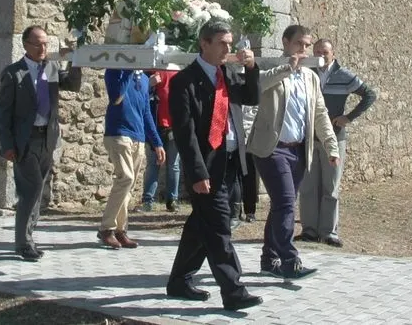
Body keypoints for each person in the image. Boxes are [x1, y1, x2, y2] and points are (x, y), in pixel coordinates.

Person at [165, 21, 263, 311]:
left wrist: (252, 68)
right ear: (204, 44)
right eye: (222, 43)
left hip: (231, 163)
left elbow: (251, 97)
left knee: (201, 225)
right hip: (206, 168)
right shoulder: (184, 81)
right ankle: (234, 291)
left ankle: (179, 281)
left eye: (230, 43)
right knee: (220, 228)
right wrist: (196, 173)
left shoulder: (229, 73)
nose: (228, 49)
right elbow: (185, 134)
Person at [249, 25, 339, 280]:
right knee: (287, 204)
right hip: (272, 149)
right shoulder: (272, 68)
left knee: (281, 205)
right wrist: (288, 67)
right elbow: (258, 85)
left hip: (298, 150)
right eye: (299, 43)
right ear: (286, 43)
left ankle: (269, 258)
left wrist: (331, 146)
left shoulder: (311, 78)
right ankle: (289, 259)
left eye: (307, 45)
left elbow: (320, 113)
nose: (304, 49)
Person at [0, 25, 82, 262]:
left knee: (37, 190)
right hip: (24, 140)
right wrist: (7, 146)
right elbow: (3, 114)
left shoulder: (51, 68)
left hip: (48, 138)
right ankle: (23, 242)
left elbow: (72, 85)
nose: (43, 48)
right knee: (30, 190)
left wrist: (76, 60)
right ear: (26, 45)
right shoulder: (14, 73)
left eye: (46, 43)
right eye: (38, 44)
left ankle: (28, 237)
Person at [298, 38, 377, 248]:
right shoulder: (308, 73)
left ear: (333, 53)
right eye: (316, 52)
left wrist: (348, 118)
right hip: (309, 137)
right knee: (308, 185)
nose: (320, 55)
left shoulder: (344, 75)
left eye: (324, 52)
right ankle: (309, 230)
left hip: (334, 137)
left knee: (330, 186)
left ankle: (329, 231)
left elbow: (369, 95)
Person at [98, 69, 166, 249]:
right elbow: (116, 97)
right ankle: (106, 228)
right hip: (118, 134)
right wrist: (127, 70)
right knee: (125, 178)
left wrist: (157, 142)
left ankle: (120, 230)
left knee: (129, 186)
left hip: (139, 137)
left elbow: (146, 113)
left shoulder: (144, 79)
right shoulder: (114, 72)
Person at [138, 70, 181, 213]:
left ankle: (172, 200)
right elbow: (140, 96)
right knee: (153, 164)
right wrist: (149, 84)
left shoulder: (178, 73)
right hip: (154, 127)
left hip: (174, 127)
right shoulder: (148, 74)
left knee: (173, 165)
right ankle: (147, 201)